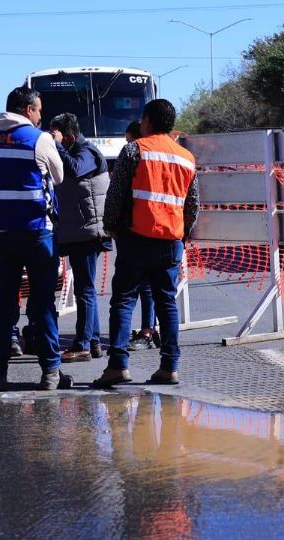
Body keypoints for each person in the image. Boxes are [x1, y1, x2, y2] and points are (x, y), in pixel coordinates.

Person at [94, 99, 200, 388]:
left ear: (148, 121)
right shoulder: (186, 158)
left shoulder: (134, 150)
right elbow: (192, 206)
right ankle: (169, 367)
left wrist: (112, 228)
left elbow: (115, 196)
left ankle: (117, 365)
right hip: (170, 241)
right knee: (166, 302)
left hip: (136, 239)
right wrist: (182, 232)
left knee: (124, 300)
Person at [0, 86, 71, 391]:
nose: (41, 115)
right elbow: (60, 177)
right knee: (42, 303)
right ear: (27, 110)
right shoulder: (39, 139)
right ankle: (51, 373)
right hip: (36, 232)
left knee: (4, 304)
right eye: (39, 110)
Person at [50, 112, 111, 362]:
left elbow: (75, 170)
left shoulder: (88, 152)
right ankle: (93, 342)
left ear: (70, 136)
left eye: (58, 136)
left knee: (85, 291)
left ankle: (82, 343)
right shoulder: (75, 150)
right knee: (85, 289)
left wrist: (55, 146)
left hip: (88, 232)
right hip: (78, 231)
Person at [122, 120, 160, 351]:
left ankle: (147, 331)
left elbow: (119, 196)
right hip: (163, 231)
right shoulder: (164, 157)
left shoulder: (136, 158)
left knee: (136, 290)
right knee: (156, 290)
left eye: (129, 142)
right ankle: (152, 331)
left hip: (140, 231)